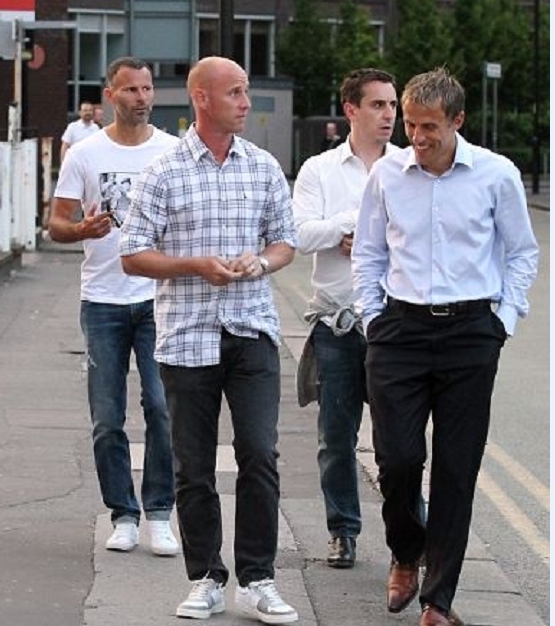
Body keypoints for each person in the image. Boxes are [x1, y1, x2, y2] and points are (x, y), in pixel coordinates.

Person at [352, 68, 538, 626]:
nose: (417, 136)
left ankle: (438, 600)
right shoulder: (387, 173)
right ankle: (406, 553)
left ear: (458, 121)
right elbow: (368, 252)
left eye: (429, 126)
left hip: (470, 334)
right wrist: (373, 318)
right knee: (398, 459)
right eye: (410, 124)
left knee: (457, 469)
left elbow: (521, 253)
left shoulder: (496, 175)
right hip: (399, 333)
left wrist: (503, 321)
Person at [120, 56, 298, 624]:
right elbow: (132, 255)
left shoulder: (263, 166)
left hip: (252, 331)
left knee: (259, 455)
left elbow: (285, 243)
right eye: (236, 92)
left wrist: (260, 263)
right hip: (187, 336)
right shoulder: (163, 171)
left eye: (246, 91)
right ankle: (205, 578)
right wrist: (194, 265)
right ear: (201, 98)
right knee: (193, 467)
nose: (246, 102)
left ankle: (258, 578)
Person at [49, 57, 180, 557]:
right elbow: (56, 224)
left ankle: (160, 512)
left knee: (162, 407)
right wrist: (82, 229)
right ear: (110, 95)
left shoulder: (172, 151)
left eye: (147, 88)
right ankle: (122, 514)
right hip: (103, 298)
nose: (141, 98)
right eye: (130, 90)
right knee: (107, 416)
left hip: (158, 297)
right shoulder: (85, 154)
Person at [292, 68, 399, 569]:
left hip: (394, 324)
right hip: (335, 323)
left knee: (398, 443)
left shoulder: (408, 166)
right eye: (378, 104)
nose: (389, 114)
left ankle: (408, 537)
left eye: (392, 105)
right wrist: (346, 227)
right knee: (336, 438)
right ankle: (343, 531)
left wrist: (375, 242)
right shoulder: (320, 169)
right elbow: (297, 234)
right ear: (351, 110)